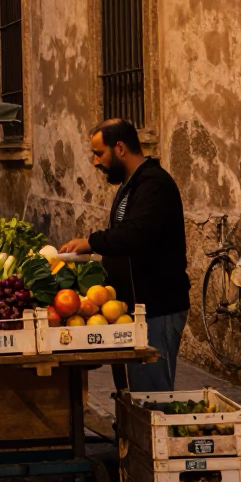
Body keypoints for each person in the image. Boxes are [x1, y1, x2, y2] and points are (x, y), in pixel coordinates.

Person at [61, 118, 190, 393]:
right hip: (131, 310)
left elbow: (135, 234)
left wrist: (91, 242)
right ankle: (130, 437)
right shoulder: (130, 186)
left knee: (150, 396)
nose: (96, 162)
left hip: (157, 308)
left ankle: (151, 436)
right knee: (131, 393)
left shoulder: (154, 185)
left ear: (119, 148)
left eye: (99, 153)